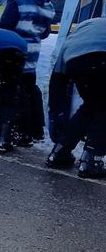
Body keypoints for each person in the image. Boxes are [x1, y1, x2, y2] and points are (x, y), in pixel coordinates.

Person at [0, 0, 56, 147]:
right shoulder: (49, 5)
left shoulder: (17, 0)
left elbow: (5, 27)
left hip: (12, 54)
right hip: (32, 57)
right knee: (28, 92)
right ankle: (28, 133)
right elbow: (44, 33)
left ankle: (5, 136)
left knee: (9, 94)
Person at [46, 18, 106, 178]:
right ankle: (92, 160)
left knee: (91, 106)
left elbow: (58, 77)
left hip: (75, 59)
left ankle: (60, 152)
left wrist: (56, 112)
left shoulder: (82, 29)